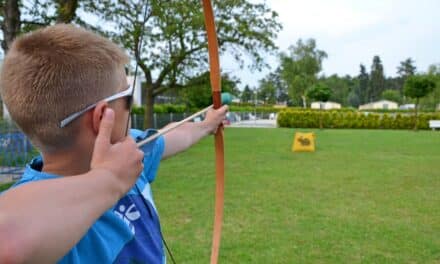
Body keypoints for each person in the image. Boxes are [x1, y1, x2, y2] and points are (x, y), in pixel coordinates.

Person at [0, 24, 228, 263]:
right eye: (126, 100)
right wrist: (109, 179)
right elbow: (7, 242)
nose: (130, 108)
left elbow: (173, 136)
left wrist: (206, 125)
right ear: (102, 117)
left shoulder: (128, 153)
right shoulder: (37, 216)